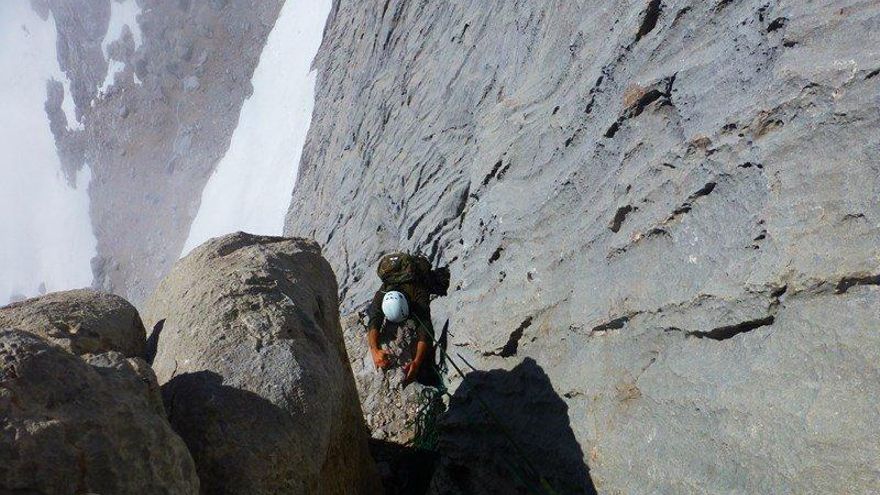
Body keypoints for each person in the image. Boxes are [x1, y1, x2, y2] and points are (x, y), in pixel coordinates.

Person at [366, 252, 449, 385]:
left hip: (420, 281)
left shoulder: (419, 295)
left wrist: (417, 362)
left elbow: (426, 331)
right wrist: (374, 350)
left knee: (441, 281)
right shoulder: (382, 294)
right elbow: (374, 320)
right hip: (401, 291)